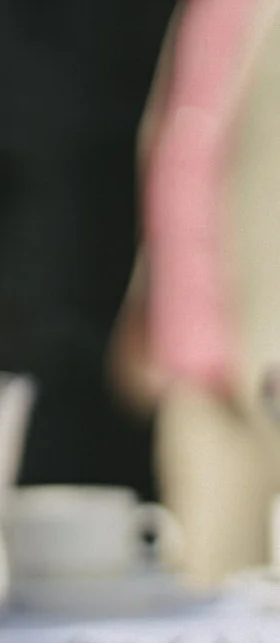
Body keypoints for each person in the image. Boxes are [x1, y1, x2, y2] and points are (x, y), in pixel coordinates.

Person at [111, 0, 280, 585]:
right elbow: (180, 161)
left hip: (269, 350)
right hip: (194, 366)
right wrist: (147, 307)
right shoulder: (197, 13)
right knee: (207, 605)